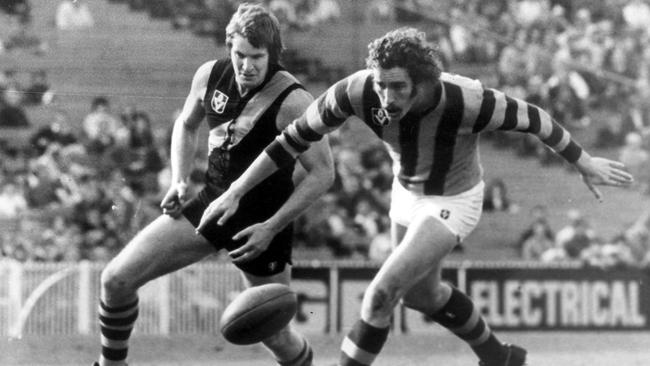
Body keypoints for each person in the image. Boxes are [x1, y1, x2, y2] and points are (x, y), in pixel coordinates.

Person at [201, 27, 635, 366]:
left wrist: (582, 160)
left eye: (398, 87)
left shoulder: (466, 100)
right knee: (421, 297)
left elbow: (534, 118)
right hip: (405, 192)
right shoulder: (357, 91)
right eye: (381, 85)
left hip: (455, 198)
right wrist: (238, 191)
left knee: (380, 294)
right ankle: (496, 356)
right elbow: (291, 140)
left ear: (423, 81)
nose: (387, 98)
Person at [94, 4, 333, 366]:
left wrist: (272, 227)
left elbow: (323, 173)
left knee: (276, 333)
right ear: (228, 47)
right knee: (115, 280)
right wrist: (178, 179)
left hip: (260, 225)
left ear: (273, 53)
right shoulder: (209, 75)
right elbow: (186, 125)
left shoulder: (295, 100)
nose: (247, 66)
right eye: (239, 54)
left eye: (257, 57)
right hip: (210, 205)